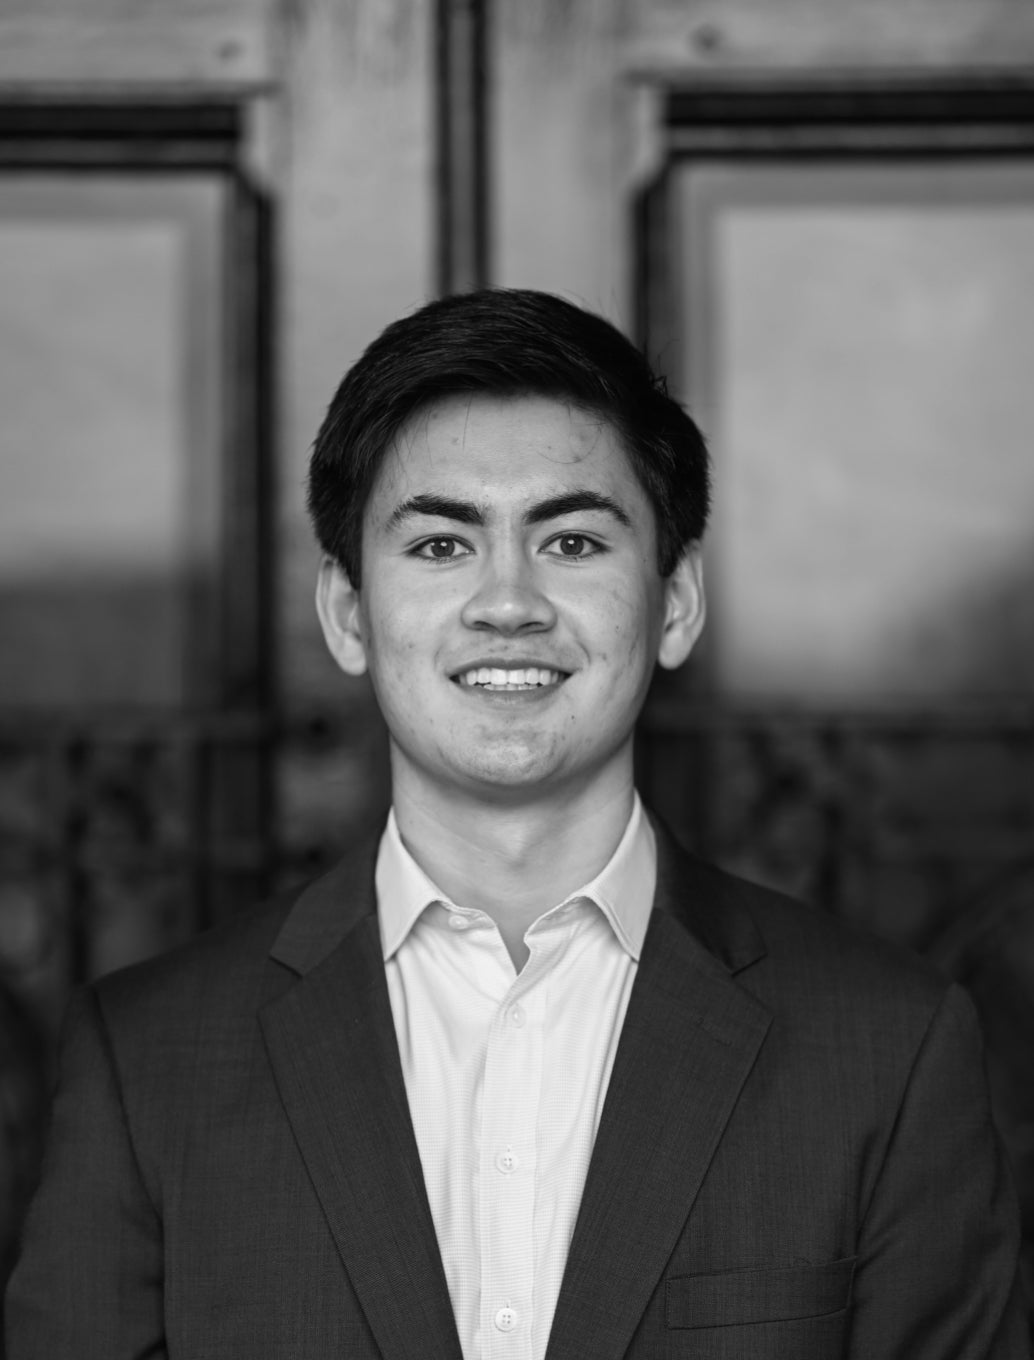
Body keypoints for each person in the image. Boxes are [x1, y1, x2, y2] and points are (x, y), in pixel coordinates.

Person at [5, 289, 1027, 1359]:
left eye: (572, 541)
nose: (507, 602)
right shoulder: (150, 1058)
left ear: (675, 603)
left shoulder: (887, 1046)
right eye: (441, 546)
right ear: (347, 613)